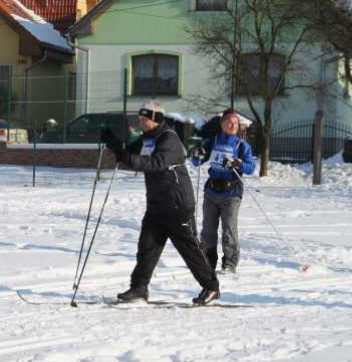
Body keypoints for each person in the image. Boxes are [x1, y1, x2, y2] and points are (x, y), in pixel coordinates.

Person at [103, 101, 220, 305]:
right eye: (140, 119)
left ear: (155, 118)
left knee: (189, 248)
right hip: (157, 204)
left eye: (144, 119)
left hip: (177, 204)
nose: (141, 123)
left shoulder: (169, 138)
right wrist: (114, 144)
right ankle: (139, 288)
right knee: (147, 247)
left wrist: (126, 157)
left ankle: (211, 287)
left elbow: (155, 163)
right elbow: (130, 153)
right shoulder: (147, 138)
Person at [190, 108, 255, 274]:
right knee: (208, 230)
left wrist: (239, 164)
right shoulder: (213, 141)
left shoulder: (242, 145)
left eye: (235, 124)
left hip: (231, 193)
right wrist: (197, 154)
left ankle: (230, 263)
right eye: (229, 122)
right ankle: (207, 261)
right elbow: (197, 162)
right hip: (212, 192)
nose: (233, 126)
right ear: (222, 124)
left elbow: (250, 167)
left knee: (229, 229)